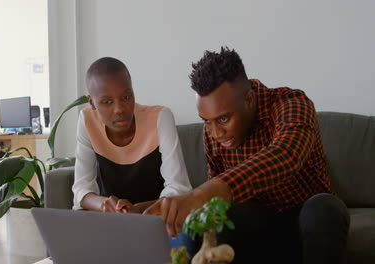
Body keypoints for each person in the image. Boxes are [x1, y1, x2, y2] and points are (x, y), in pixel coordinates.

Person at [144, 48, 350, 264]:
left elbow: (285, 155)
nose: (215, 133)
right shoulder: (213, 133)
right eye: (207, 121)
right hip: (259, 227)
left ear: (249, 99)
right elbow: (219, 203)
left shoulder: (292, 104)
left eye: (223, 119)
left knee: (323, 207)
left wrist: (199, 196)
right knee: (226, 215)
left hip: (308, 221)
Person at [72, 57, 192, 214]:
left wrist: (136, 210)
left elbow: (179, 188)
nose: (119, 109)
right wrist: (104, 204)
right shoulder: (87, 120)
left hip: (157, 217)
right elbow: (81, 189)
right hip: (110, 219)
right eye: (107, 102)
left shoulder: (160, 118)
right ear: (92, 103)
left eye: (126, 97)